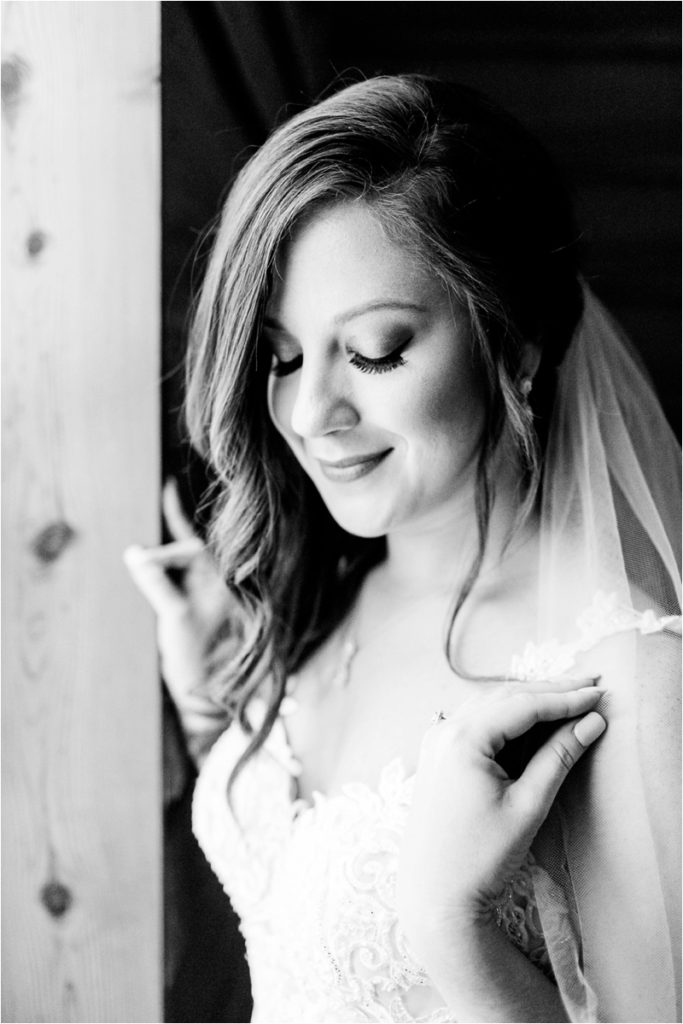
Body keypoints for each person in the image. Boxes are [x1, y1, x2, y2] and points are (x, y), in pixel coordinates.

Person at [125, 76, 681, 1023]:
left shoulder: (627, 687)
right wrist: (216, 711)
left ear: (513, 340)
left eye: (376, 350)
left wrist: (452, 927)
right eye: (280, 356)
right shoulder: (323, 595)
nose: (310, 414)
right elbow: (293, 915)